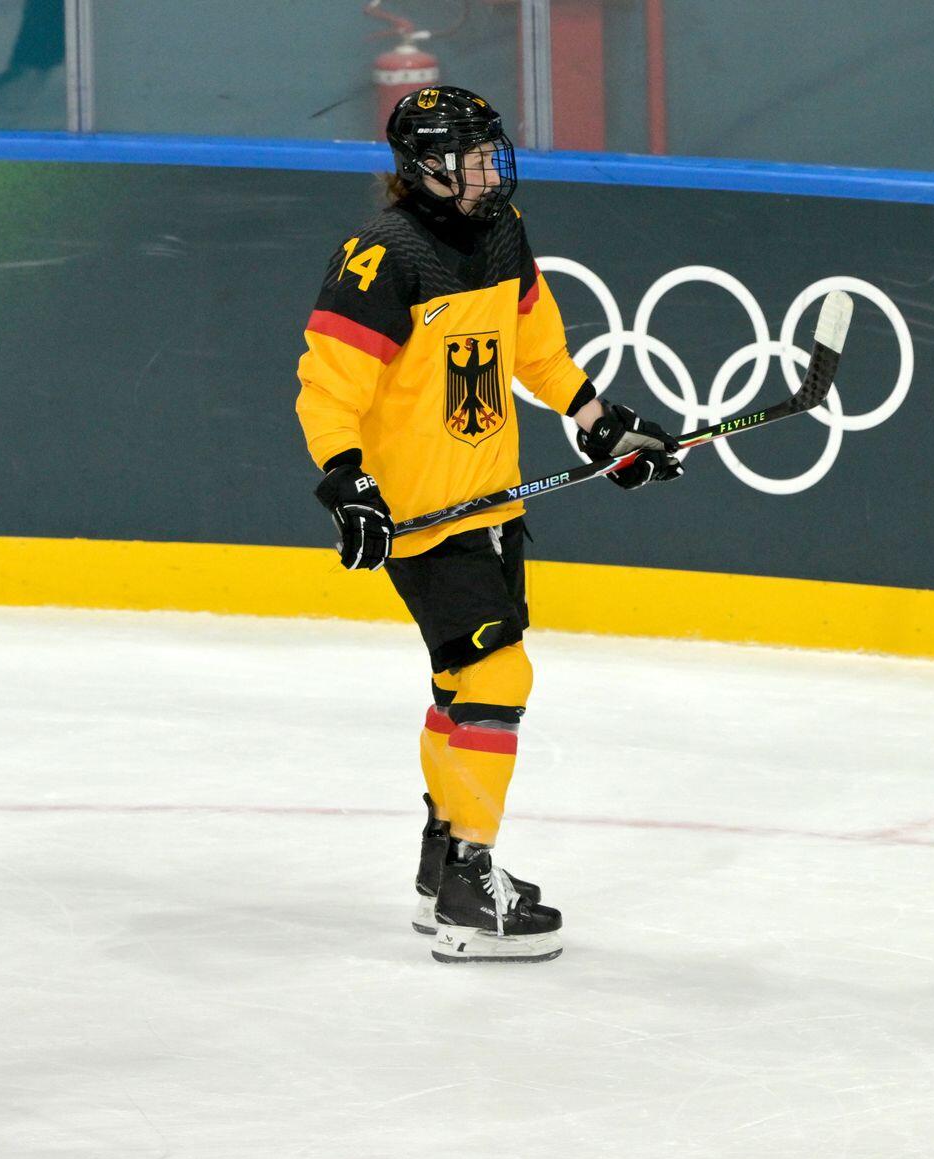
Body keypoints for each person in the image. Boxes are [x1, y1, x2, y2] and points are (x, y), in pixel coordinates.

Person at [293, 85, 683, 965]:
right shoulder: (383, 256)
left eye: (488, 152)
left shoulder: (504, 233)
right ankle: (471, 883)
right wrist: (348, 482)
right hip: (427, 519)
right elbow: (327, 386)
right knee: (499, 673)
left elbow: (539, 354)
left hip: (495, 505)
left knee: (459, 686)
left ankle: (443, 865)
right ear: (425, 166)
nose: (488, 169)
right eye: (470, 156)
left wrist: (601, 424)